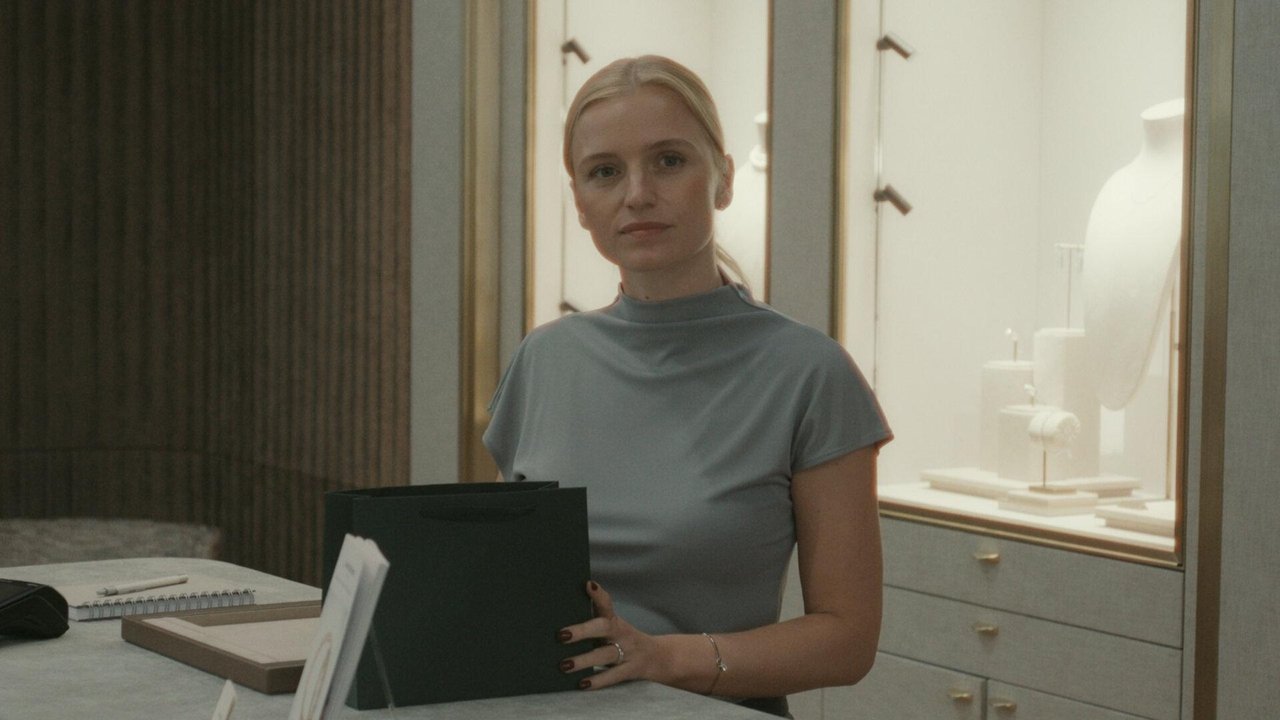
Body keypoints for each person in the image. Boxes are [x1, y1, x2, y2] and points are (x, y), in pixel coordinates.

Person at [483, 55, 891, 717]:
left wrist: (662, 658)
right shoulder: (545, 358)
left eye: (669, 161)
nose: (638, 194)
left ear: (723, 179)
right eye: (605, 171)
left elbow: (847, 641)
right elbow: (506, 582)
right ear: (580, 203)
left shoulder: (809, 374)